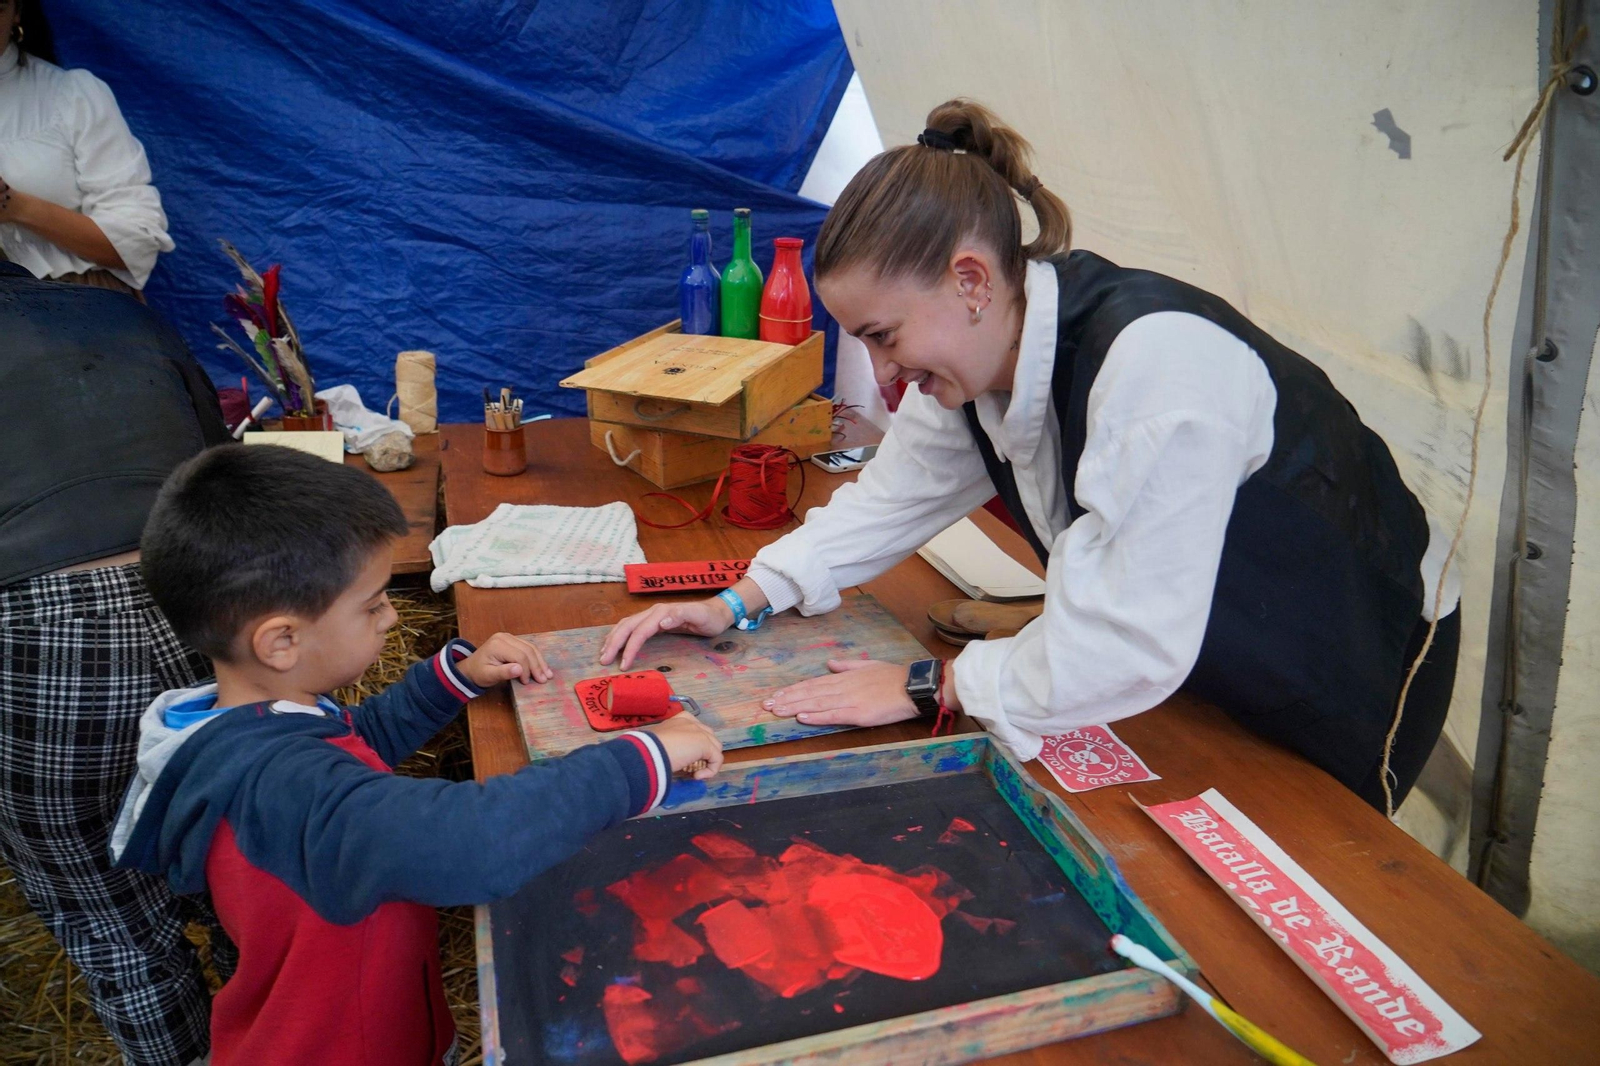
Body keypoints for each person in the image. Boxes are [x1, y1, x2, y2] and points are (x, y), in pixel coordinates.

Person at [601, 98, 1461, 813]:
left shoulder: (1158, 375)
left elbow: (1128, 643)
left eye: (883, 335)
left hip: (1352, 644)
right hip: (1194, 639)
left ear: (970, 280)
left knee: (1308, 850)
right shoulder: (974, 366)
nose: (882, 371)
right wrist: (740, 601)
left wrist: (925, 687)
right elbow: (889, 500)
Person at [111, 444, 724, 1066]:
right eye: (373, 603)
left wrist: (453, 678)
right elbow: (471, 843)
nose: (390, 616)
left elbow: (359, 742)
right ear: (281, 641)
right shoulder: (279, 785)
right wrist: (644, 758)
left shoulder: (248, 728)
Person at [0, 253, 232, 1066]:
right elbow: (225, 472)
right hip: (203, 595)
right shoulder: (122, 316)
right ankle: (284, 1041)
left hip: (33, 628)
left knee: (116, 926)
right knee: (243, 876)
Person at [0, 0, 173, 295]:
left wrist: (15, 206)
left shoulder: (72, 95)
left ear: (17, 11)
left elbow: (138, 240)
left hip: (70, 314)